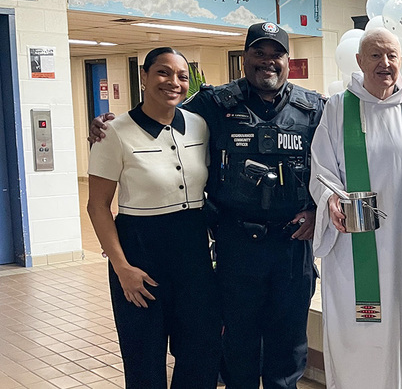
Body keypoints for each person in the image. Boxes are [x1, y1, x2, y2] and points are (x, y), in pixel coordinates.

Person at [90, 22, 324, 389]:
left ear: (287, 60)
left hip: (292, 245)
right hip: (236, 245)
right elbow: (159, 112)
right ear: (245, 58)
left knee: (288, 344)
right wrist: (108, 123)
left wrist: (315, 210)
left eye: (275, 53)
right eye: (258, 53)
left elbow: (331, 166)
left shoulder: (315, 109)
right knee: (237, 345)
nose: (267, 62)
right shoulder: (214, 104)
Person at [308, 27, 402, 389]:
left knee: (401, 325)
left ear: (401, 61)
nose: (385, 63)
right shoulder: (338, 108)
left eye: (392, 55)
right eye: (376, 55)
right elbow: (320, 170)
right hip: (354, 247)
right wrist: (332, 197)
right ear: (360, 61)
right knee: (357, 328)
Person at [87, 47, 221, 388]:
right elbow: (98, 206)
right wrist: (122, 269)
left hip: (193, 255)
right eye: (163, 72)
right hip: (140, 255)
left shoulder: (199, 126)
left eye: (181, 76)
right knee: (144, 361)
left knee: (200, 354)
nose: (172, 82)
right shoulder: (114, 133)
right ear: (144, 76)